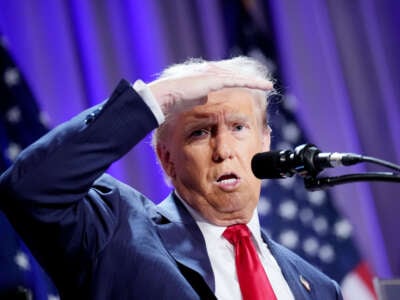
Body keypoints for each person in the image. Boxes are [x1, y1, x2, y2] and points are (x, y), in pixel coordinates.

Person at [0, 56, 342, 299]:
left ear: (264, 140)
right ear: (166, 158)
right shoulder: (116, 231)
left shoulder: (320, 287)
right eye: (200, 133)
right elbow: (30, 188)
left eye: (238, 127)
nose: (223, 149)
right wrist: (155, 99)